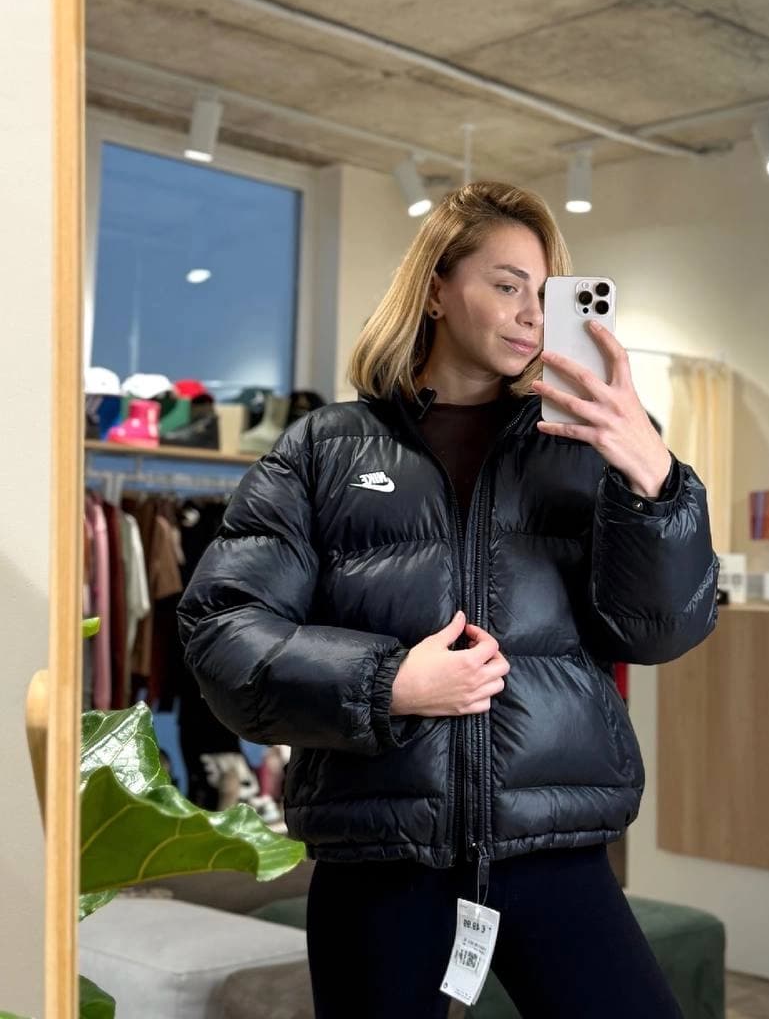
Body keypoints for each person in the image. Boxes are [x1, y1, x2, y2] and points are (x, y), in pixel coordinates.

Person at [177, 180, 719, 1018]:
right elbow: (224, 630)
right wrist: (388, 682)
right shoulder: (324, 449)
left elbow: (660, 631)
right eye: (506, 285)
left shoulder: (585, 449)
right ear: (435, 289)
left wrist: (655, 481)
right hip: (378, 851)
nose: (531, 314)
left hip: (554, 843)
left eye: (546, 294)